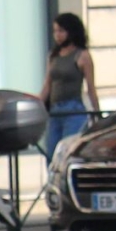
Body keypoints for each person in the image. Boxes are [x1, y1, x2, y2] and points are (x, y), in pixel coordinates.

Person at [41, 13, 99, 154]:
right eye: (55, 31)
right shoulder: (53, 56)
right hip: (55, 111)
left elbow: (91, 88)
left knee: (68, 151)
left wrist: (97, 112)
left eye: (61, 31)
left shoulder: (82, 55)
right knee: (51, 152)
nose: (57, 35)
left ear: (71, 31)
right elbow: (47, 86)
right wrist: (38, 106)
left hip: (73, 109)